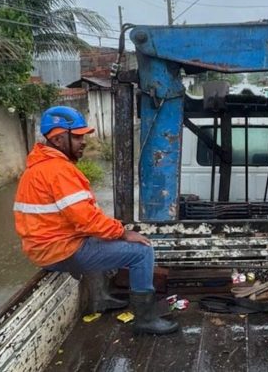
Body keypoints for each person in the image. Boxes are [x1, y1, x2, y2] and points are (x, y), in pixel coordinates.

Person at [13, 105, 178, 335]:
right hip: (62, 251)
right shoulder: (59, 171)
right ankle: (146, 319)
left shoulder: (36, 168)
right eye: (78, 137)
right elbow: (87, 220)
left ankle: (100, 299)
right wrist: (122, 232)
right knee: (142, 251)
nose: (84, 142)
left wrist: (109, 230)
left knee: (98, 234)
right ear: (59, 139)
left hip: (43, 250)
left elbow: (81, 219)